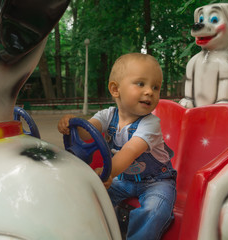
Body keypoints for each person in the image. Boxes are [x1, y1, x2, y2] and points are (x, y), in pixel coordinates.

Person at [57, 53, 177, 240]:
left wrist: (108, 173)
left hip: (156, 182)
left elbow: (129, 151)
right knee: (91, 196)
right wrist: (71, 124)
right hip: (124, 180)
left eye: (156, 87)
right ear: (115, 89)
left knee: (155, 210)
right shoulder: (107, 115)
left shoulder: (151, 124)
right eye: (141, 84)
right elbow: (86, 131)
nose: (149, 92)